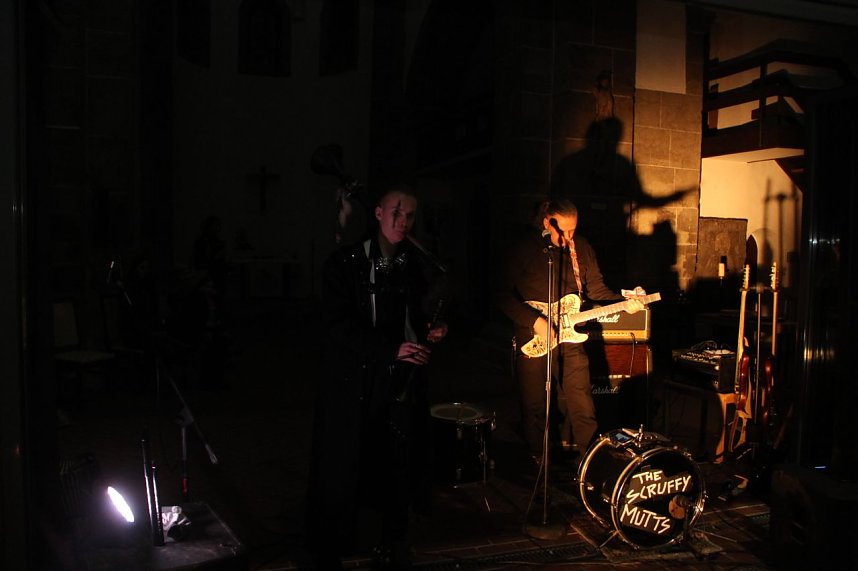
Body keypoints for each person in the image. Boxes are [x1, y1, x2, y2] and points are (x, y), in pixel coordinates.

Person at [304, 184, 448, 569]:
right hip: (355, 384)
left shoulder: (410, 264)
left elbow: (409, 313)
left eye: (410, 215)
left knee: (397, 459)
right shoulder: (345, 263)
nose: (403, 222)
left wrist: (428, 329)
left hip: (398, 382)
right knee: (350, 461)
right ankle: (343, 541)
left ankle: (393, 536)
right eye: (396, 213)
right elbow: (338, 324)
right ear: (379, 214)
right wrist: (390, 348)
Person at [494, 198, 645, 470]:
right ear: (546, 223)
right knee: (535, 405)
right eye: (562, 231)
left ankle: (592, 465)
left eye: (573, 230)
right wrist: (534, 320)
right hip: (534, 337)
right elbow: (500, 295)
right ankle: (540, 462)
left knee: (582, 400)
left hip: (571, 338)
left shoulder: (582, 248)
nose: (568, 237)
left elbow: (597, 290)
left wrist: (627, 301)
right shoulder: (524, 248)